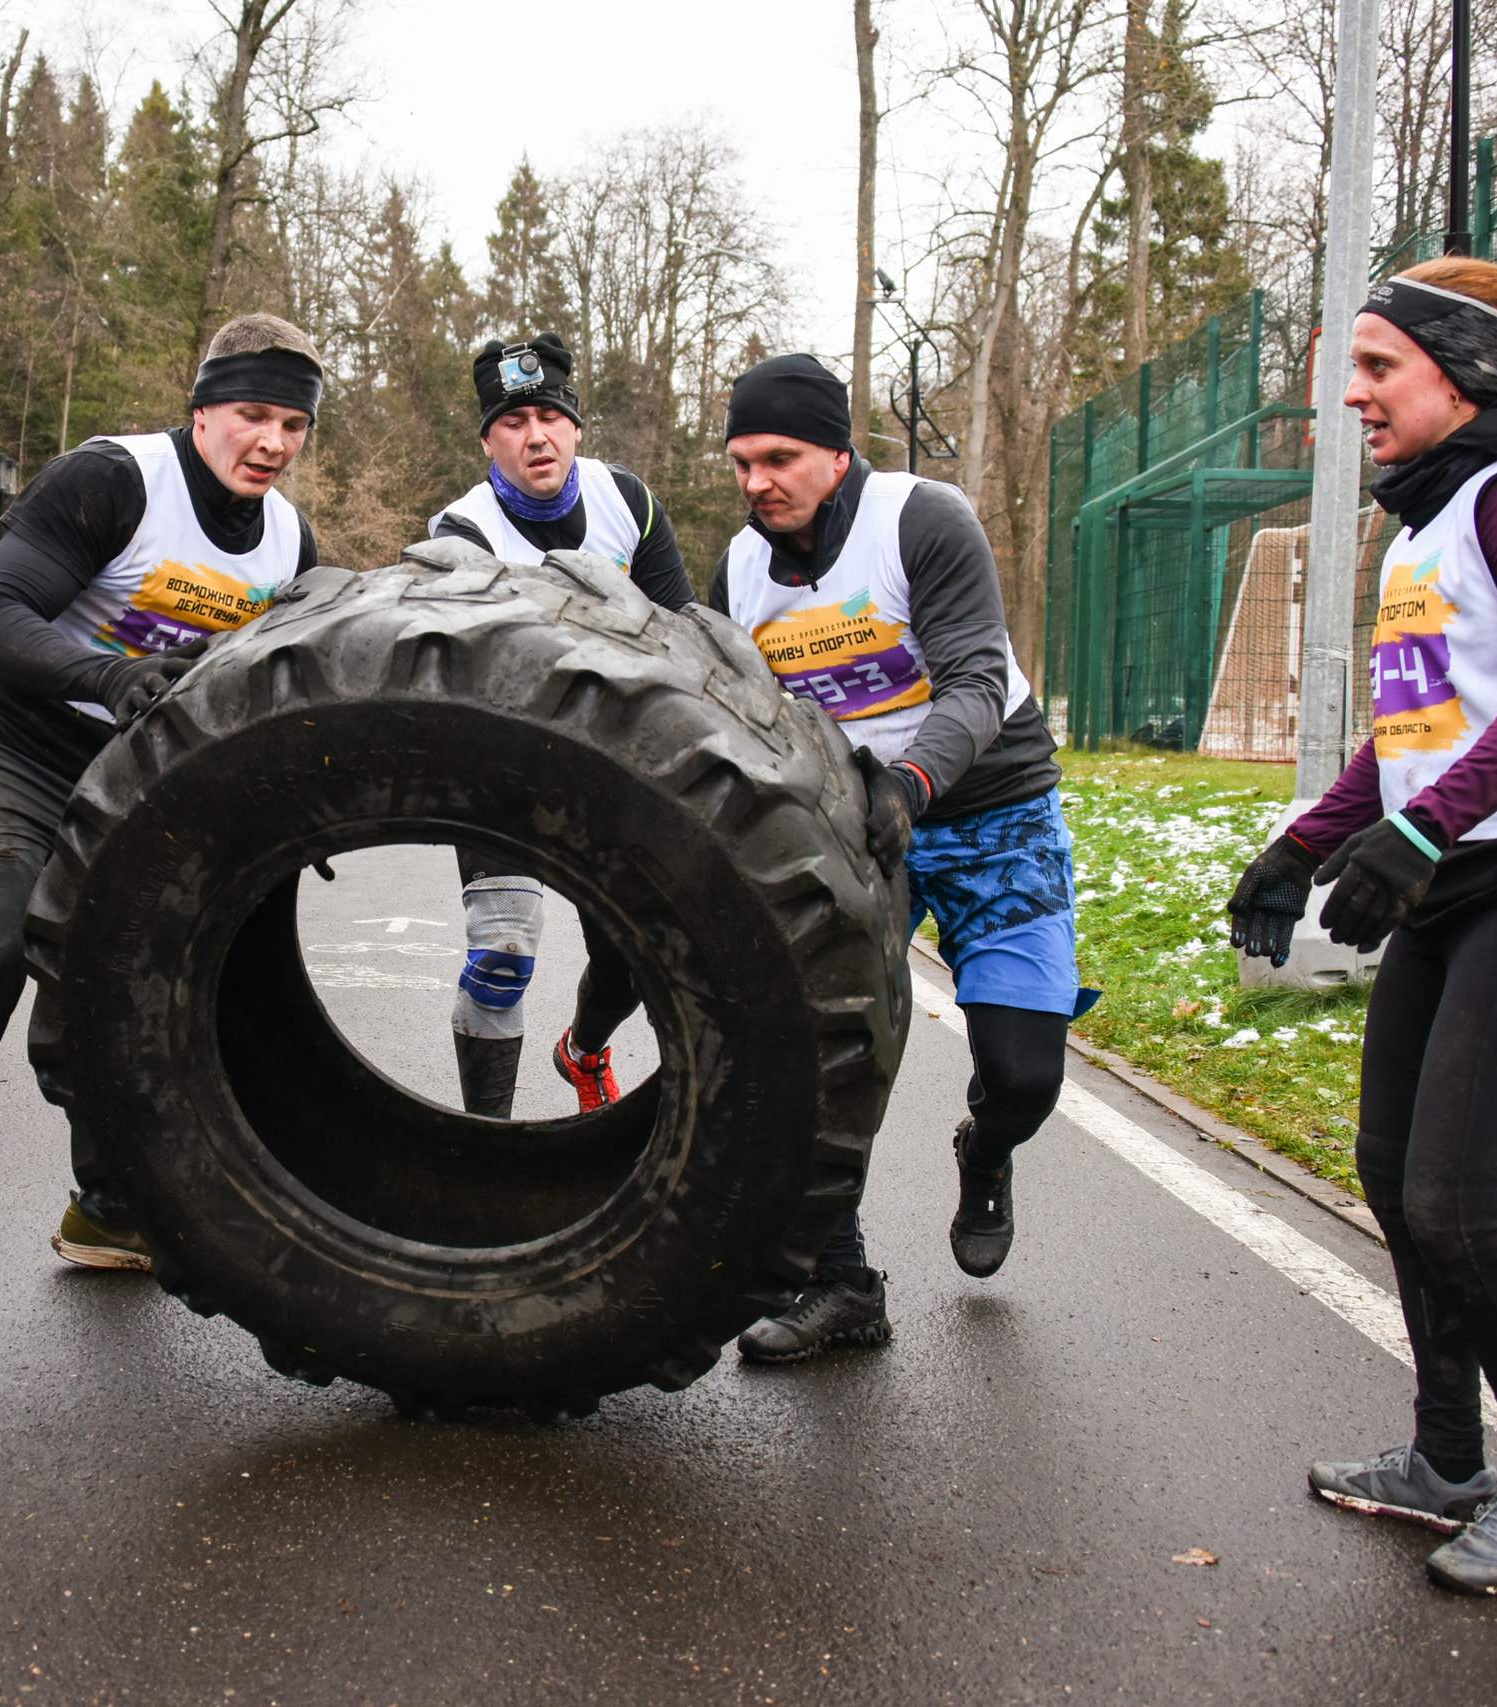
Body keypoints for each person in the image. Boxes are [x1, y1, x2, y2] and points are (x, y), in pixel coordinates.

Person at [1228, 259, 1497, 1597]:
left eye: (1374, 368)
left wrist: (1420, 832)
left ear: (1463, 371)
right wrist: (1305, 839)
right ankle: (1447, 1454)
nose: (1350, 396)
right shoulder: (1425, 522)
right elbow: (1413, 736)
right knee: (1394, 1170)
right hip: (1457, 892)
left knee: (1459, 1201)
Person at [0, 312, 322, 1362]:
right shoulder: (115, 481)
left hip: (134, 776)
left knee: (145, 979)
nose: (271, 442)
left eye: (292, 424)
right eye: (251, 414)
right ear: (202, 411)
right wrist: (106, 675)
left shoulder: (288, 542)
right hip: (2, 745)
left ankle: (104, 1207)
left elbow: (284, 690)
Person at [710, 354, 1088, 1364]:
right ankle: (841, 1285)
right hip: (847, 827)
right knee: (817, 1062)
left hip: (986, 803)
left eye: (779, 457)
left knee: (1022, 1071)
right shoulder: (740, 571)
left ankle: (989, 1147)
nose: (757, 482)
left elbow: (971, 677)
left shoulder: (923, 520)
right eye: (741, 462)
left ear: (837, 452)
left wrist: (911, 783)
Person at [426, 331, 696, 1117]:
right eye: (512, 421)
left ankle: (582, 1052)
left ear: (576, 425)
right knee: (503, 954)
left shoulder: (630, 502)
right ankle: (487, 1149)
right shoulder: (460, 532)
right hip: (502, 765)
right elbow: (469, 679)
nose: (535, 434)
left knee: (634, 963)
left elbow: (676, 631)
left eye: (549, 414)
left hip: (613, 760)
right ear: (486, 439)